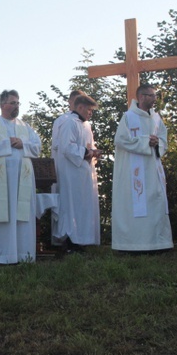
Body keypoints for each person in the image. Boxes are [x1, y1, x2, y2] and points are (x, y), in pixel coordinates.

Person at [0, 90, 41, 265]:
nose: (16, 106)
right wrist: (7, 143)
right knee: (1, 218)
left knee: (21, 218)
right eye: (12, 103)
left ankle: (23, 255)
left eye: (17, 103)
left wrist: (23, 144)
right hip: (0, 185)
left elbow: (37, 147)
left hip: (22, 183)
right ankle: (0, 256)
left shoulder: (25, 127)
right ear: (2, 105)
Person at [112, 84, 173, 252]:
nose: (155, 99)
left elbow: (163, 140)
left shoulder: (156, 118)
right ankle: (131, 244)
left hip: (153, 169)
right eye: (151, 95)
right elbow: (121, 140)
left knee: (154, 201)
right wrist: (147, 141)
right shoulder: (128, 117)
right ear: (141, 97)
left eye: (155, 95)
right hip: (133, 172)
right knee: (135, 202)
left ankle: (157, 243)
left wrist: (157, 143)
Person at [53, 93, 102, 250]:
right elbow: (67, 148)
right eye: (89, 110)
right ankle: (71, 241)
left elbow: (89, 146)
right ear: (80, 107)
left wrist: (94, 152)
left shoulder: (86, 125)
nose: (90, 113)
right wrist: (86, 153)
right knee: (72, 206)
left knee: (83, 207)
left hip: (84, 172)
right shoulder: (68, 123)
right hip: (71, 173)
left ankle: (83, 240)